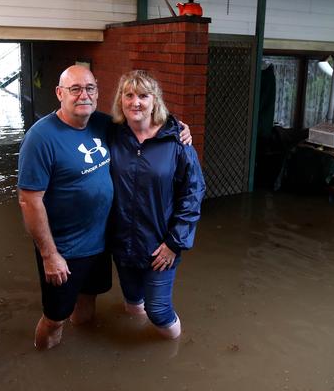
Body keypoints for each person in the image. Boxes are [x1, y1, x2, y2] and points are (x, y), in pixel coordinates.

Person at [17, 65, 191, 350]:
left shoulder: (104, 124)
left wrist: (179, 127)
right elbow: (29, 200)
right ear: (59, 93)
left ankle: (86, 347)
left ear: (97, 93)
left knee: (88, 302)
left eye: (89, 88)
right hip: (65, 249)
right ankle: (43, 360)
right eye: (74, 89)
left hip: (101, 244)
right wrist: (50, 255)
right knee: (55, 317)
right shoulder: (40, 138)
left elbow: (146, 119)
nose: (83, 95)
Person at [107, 70, 205, 340]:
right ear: (121, 100)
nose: (135, 102)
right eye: (129, 95)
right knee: (132, 302)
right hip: (123, 242)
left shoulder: (177, 141)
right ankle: (136, 361)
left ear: (155, 101)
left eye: (143, 95)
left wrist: (175, 243)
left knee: (159, 311)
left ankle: (177, 352)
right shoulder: (112, 134)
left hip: (160, 245)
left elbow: (193, 193)